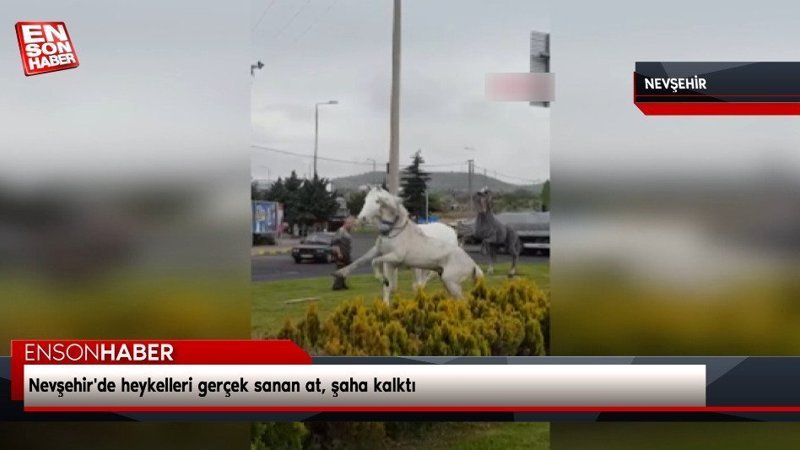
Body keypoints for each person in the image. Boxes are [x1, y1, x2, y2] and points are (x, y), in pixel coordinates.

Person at [331, 216, 355, 290]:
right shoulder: (341, 231)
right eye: (350, 223)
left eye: (352, 224)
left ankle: (342, 284)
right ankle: (337, 286)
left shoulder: (347, 232)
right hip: (341, 254)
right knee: (341, 269)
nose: (351, 225)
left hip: (346, 254)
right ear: (345, 223)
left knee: (346, 270)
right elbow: (335, 243)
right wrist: (339, 253)